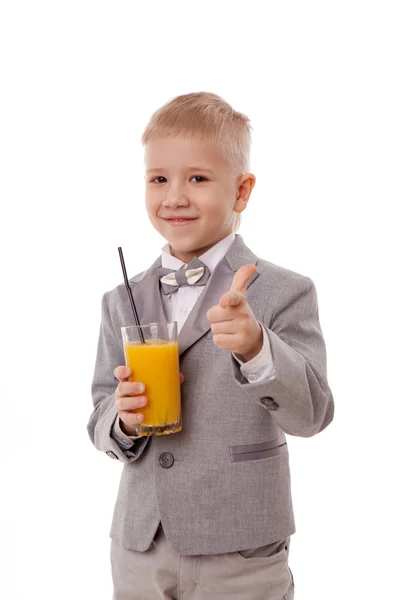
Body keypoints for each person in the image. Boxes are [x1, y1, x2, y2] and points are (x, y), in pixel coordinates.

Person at [88, 91, 335, 600]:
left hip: (241, 547)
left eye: (197, 178)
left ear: (241, 191)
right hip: (140, 545)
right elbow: (98, 412)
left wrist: (256, 348)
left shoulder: (285, 291)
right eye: (159, 179)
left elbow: (312, 414)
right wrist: (122, 417)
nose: (174, 196)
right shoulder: (122, 300)